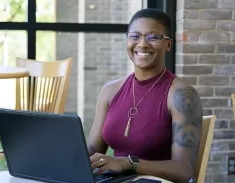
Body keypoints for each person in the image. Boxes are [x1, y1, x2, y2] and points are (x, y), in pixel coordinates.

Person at [87, 8, 203, 183]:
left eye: (153, 37)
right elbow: (93, 151)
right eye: (135, 36)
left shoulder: (181, 95)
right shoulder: (110, 91)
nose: (142, 44)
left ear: (168, 44)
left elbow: (184, 171)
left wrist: (128, 163)